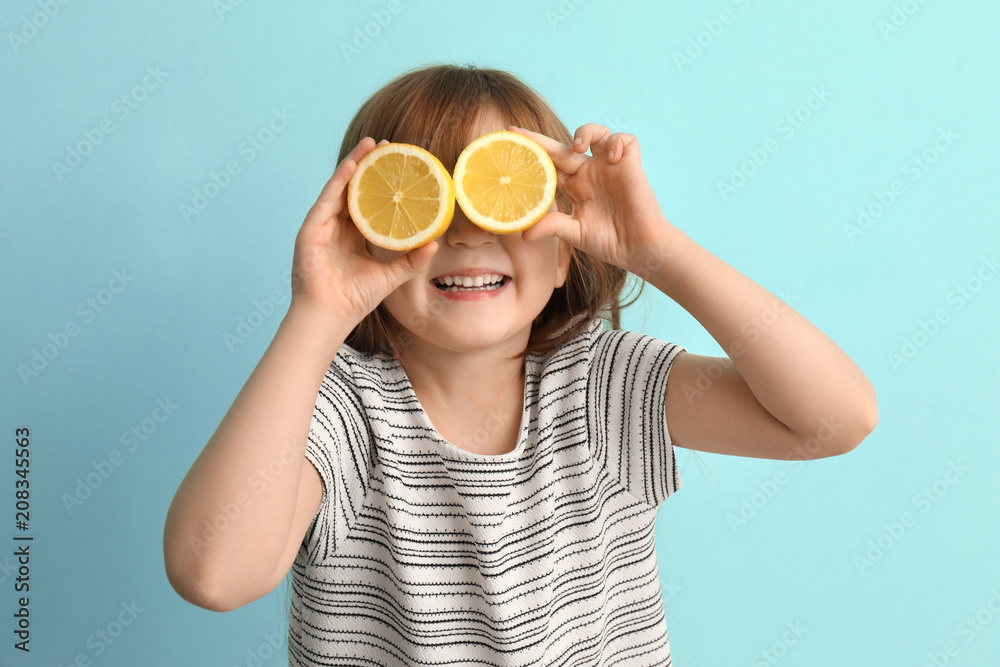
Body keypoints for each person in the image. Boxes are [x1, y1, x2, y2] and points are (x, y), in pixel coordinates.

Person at [163, 63, 878, 666]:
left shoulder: (604, 384)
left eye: (502, 196)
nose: (469, 232)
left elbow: (836, 418)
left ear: (565, 245)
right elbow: (214, 573)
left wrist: (657, 249)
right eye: (429, 203)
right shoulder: (343, 410)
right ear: (371, 228)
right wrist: (316, 314)